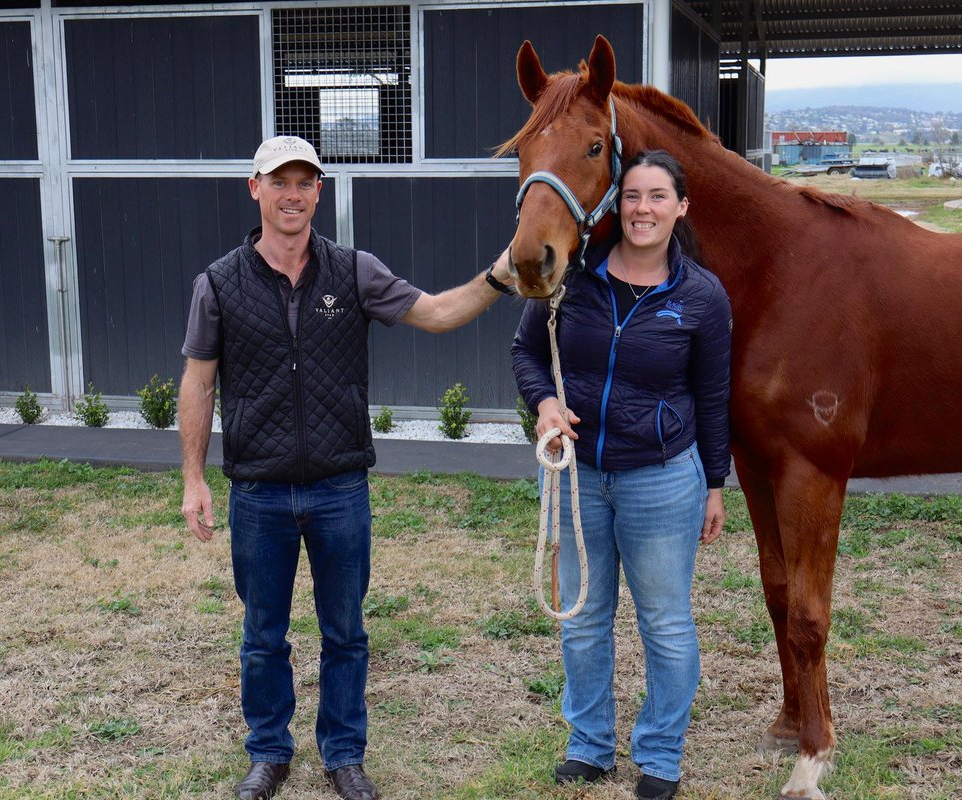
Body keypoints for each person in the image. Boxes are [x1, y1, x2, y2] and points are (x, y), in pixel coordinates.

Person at [179, 135, 516, 800]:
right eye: (280, 181)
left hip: (339, 489)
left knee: (346, 633)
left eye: (305, 182)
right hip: (259, 493)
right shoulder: (217, 283)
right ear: (256, 188)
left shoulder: (353, 271)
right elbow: (197, 382)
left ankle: (343, 754)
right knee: (262, 636)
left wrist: (502, 272)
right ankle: (269, 753)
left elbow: (439, 313)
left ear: (319, 193)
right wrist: (193, 478)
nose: (292, 194)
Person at [511, 150, 731, 800]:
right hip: (578, 478)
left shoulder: (700, 298)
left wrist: (714, 483)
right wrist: (545, 404)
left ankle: (659, 755)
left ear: (681, 207)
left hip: (662, 480)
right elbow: (526, 350)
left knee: (664, 622)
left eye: (658, 196)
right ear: (616, 204)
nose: (642, 209)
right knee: (583, 619)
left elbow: (713, 396)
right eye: (632, 196)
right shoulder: (574, 279)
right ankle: (589, 745)